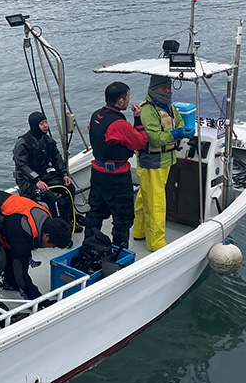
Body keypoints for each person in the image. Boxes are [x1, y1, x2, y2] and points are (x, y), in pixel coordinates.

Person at [0, 189, 73, 301]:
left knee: (11, 251)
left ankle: (10, 282)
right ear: (46, 236)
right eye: (53, 245)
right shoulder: (23, 234)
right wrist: (39, 301)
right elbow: (21, 275)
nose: (51, 248)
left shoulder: (45, 215)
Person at [84, 82, 148, 250]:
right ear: (120, 101)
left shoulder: (96, 116)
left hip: (97, 171)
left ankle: (89, 246)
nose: (128, 100)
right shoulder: (119, 124)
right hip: (116, 176)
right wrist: (138, 119)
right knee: (123, 218)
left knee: (95, 212)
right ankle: (119, 252)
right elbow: (140, 142)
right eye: (127, 97)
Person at [133, 75, 193, 251]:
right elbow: (154, 138)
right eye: (164, 88)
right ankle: (155, 241)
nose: (168, 91)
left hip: (166, 159)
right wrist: (176, 134)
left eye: (169, 87)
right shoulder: (147, 110)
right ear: (153, 89)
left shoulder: (170, 108)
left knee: (145, 196)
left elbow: (180, 122)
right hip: (153, 162)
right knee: (156, 202)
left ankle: (140, 230)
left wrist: (183, 130)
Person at [13, 111, 78, 223]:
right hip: (27, 181)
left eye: (46, 122)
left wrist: (63, 174)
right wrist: (36, 180)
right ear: (34, 125)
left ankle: (68, 220)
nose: (45, 126)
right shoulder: (23, 143)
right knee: (49, 196)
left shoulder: (47, 140)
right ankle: (54, 224)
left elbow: (56, 157)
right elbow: (22, 165)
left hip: (43, 176)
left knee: (69, 188)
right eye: (42, 123)